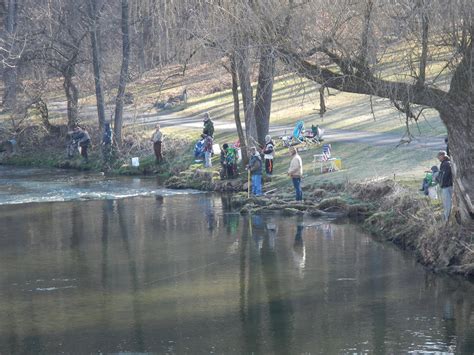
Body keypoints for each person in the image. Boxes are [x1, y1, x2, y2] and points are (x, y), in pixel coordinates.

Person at [437, 151, 453, 221]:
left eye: (439, 156)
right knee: (449, 203)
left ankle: (447, 219)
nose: (438, 158)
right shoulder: (447, 163)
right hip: (449, 185)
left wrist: (441, 184)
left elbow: (444, 176)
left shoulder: (445, 164)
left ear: (442, 156)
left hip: (446, 186)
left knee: (447, 204)